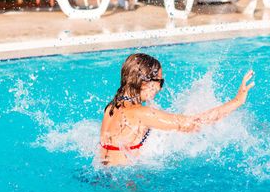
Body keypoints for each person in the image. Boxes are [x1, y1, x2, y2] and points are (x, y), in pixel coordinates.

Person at [100, 53, 254, 166]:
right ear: (145, 82)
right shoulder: (142, 114)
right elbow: (194, 123)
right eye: (160, 81)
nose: (160, 89)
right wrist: (237, 101)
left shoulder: (112, 107)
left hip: (102, 178)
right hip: (124, 185)